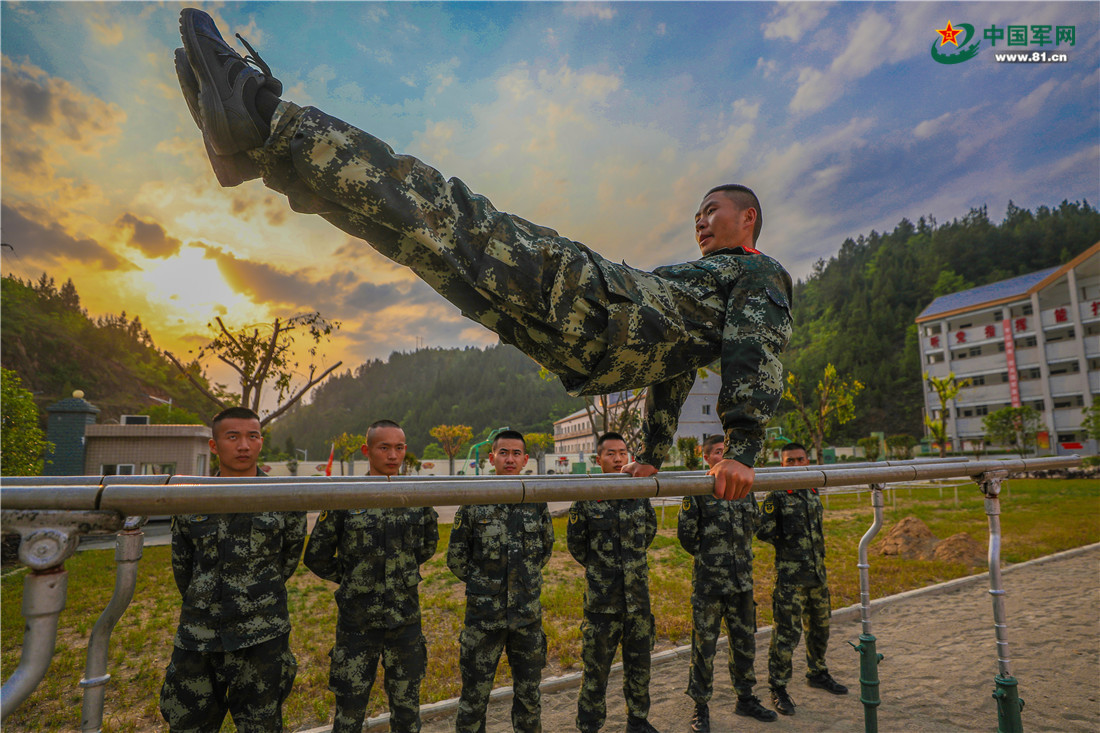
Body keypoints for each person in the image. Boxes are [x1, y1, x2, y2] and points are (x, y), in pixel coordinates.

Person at [174, 8, 793, 502]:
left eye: (712, 210)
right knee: (425, 239)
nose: (701, 221)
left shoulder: (758, 272)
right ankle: (260, 150)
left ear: (749, 218)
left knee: (450, 218)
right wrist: (655, 452)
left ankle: (262, 122)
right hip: (590, 333)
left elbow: (754, 350)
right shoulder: (704, 285)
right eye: (698, 213)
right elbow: (674, 365)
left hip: (595, 311)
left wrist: (743, 446)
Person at [159, 406, 307, 732]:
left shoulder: (285, 498)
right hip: (199, 637)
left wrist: (256, 592)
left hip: (263, 633)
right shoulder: (192, 500)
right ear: (214, 446)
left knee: (262, 725)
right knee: (188, 725)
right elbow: (183, 566)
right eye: (233, 437)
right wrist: (208, 598)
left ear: (260, 442)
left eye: (252, 437)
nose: (243, 446)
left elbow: (289, 557)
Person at [303, 420, 439, 733]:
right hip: (357, 622)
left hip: (405, 620)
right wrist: (354, 577)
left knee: (407, 709)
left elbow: (428, 546)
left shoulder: (416, 496)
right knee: (350, 710)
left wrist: (399, 571)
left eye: (400, 447)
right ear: (367, 450)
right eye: (384, 447)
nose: (393, 455)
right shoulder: (346, 495)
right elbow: (317, 556)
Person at [446, 431, 555, 732]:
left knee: (529, 696)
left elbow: (545, 549)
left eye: (516, 453)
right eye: (503, 452)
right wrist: (485, 586)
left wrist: (522, 582)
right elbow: (456, 556)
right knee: (473, 700)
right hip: (484, 620)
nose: (510, 459)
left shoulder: (536, 501)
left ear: (525, 459)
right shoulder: (475, 499)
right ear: (491, 457)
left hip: (526, 618)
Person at [678, 435, 776, 732]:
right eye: (719, 452)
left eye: (728, 452)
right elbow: (686, 535)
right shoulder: (697, 489)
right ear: (707, 457)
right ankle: (700, 706)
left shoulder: (745, 489)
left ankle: (745, 698)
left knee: (744, 642)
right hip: (710, 583)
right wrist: (711, 557)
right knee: (704, 647)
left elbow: (754, 524)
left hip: (742, 581)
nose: (724, 456)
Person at [566, 432, 659, 733]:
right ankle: (590, 725)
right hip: (602, 602)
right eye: (611, 454)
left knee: (640, 665)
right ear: (599, 459)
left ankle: (638, 720)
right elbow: (577, 544)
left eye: (623, 452)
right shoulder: (587, 496)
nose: (618, 458)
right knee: (595, 670)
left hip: (638, 600)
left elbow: (650, 531)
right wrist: (601, 569)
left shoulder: (638, 492)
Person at [756, 443, 848, 716]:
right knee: (787, 633)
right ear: (781, 464)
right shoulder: (777, 495)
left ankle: (817, 671)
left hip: (817, 573)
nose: (796, 465)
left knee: (820, 626)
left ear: (808, 460)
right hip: (790, 577)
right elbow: (764, 531)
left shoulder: (812, 489)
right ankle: (778, 687)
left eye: (800, 459)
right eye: (790, 461)